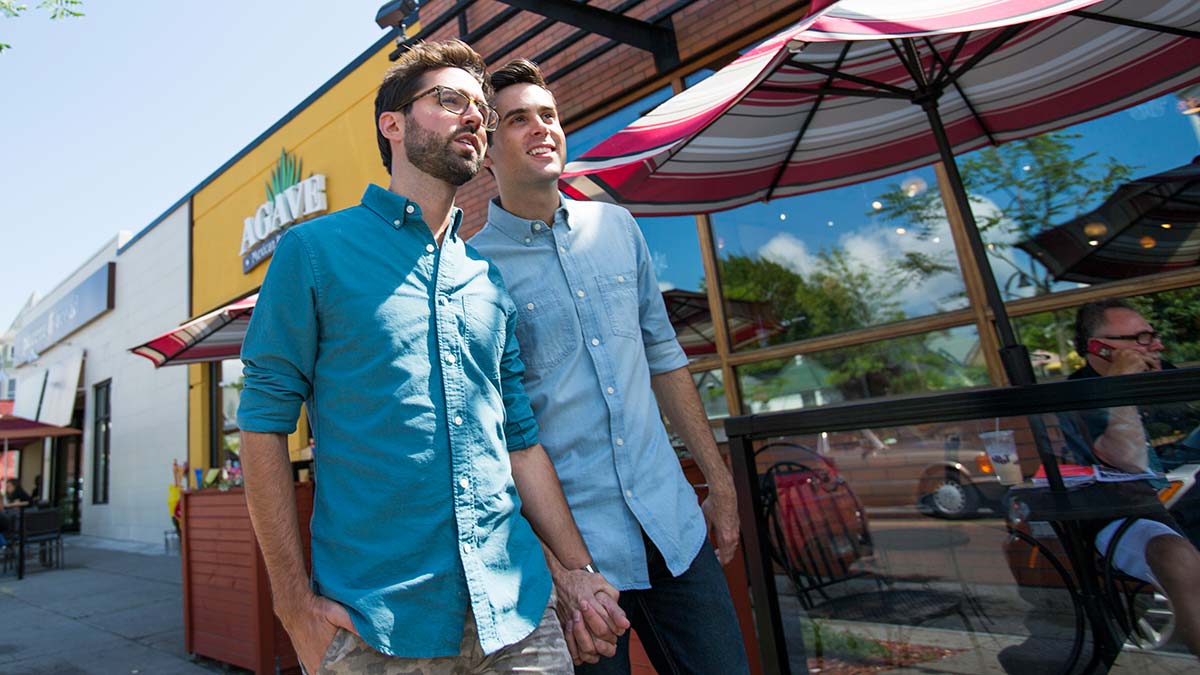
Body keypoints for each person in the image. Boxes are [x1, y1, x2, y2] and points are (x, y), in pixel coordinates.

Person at [237, 41, 625, 675]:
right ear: (393, 124)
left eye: (481, 108)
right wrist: (292, 607)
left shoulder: (488, 282)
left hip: (520, 617)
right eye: (450, 101)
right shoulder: (312, 251)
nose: (475, 116)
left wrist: (578, 573)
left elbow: (521, 444)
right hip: (375, 627)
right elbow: (261, 425)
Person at [471, 59, 749, 674]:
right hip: (580, 562)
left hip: (674, 529)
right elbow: (486, 442)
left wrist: (719, 482)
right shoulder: (472, 273)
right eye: (518, 120)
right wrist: (557, 569)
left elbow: (665, 359)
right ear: (487, 152)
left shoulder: (618, 227)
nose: (541, 128)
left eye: (548, 115)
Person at [1065, 298, 1200, 656]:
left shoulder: (1166, 376)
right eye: (1140, 339)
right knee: (1174, 555)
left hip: (1190, 495)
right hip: (1129, 512)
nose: (1155, 345)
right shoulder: (1078, 394)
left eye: (1152, 336)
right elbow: (1127, 459)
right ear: (1101, 349)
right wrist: (1119, 385)